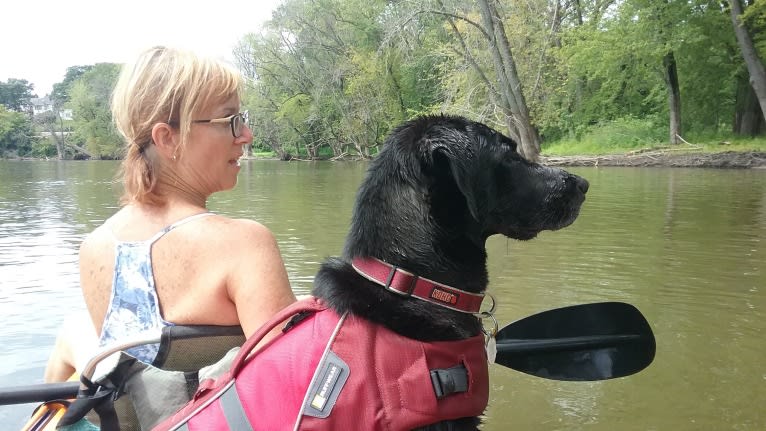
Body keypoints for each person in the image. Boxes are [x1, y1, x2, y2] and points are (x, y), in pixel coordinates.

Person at [44, 46, 297, 382]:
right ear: (168, 138)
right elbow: (289, 383)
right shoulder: (245, 245)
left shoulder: (94, 248)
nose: (246, 136)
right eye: (231, 120)